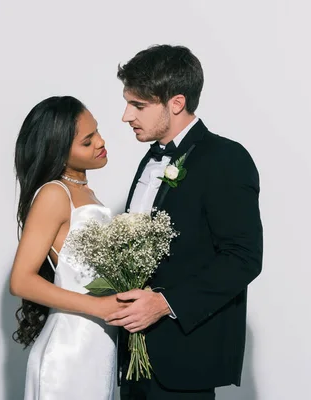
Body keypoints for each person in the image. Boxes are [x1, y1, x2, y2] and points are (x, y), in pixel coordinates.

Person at [108, 44, 263, 399]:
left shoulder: (226, 158)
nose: (126, 116)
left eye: (138, 105)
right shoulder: (149, 159)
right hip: (133, 359)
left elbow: (243, 259)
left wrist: (164, 304)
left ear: (175, 103)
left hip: (185, 359)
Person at [10, 95, 125, 400]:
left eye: (97, 131)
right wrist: (100, 307)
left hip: (97, 346)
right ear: (58, 153)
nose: (101, 141)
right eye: (88, 141)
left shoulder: (85, 192)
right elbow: (21, 280)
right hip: (70, 349)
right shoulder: (55, 193)